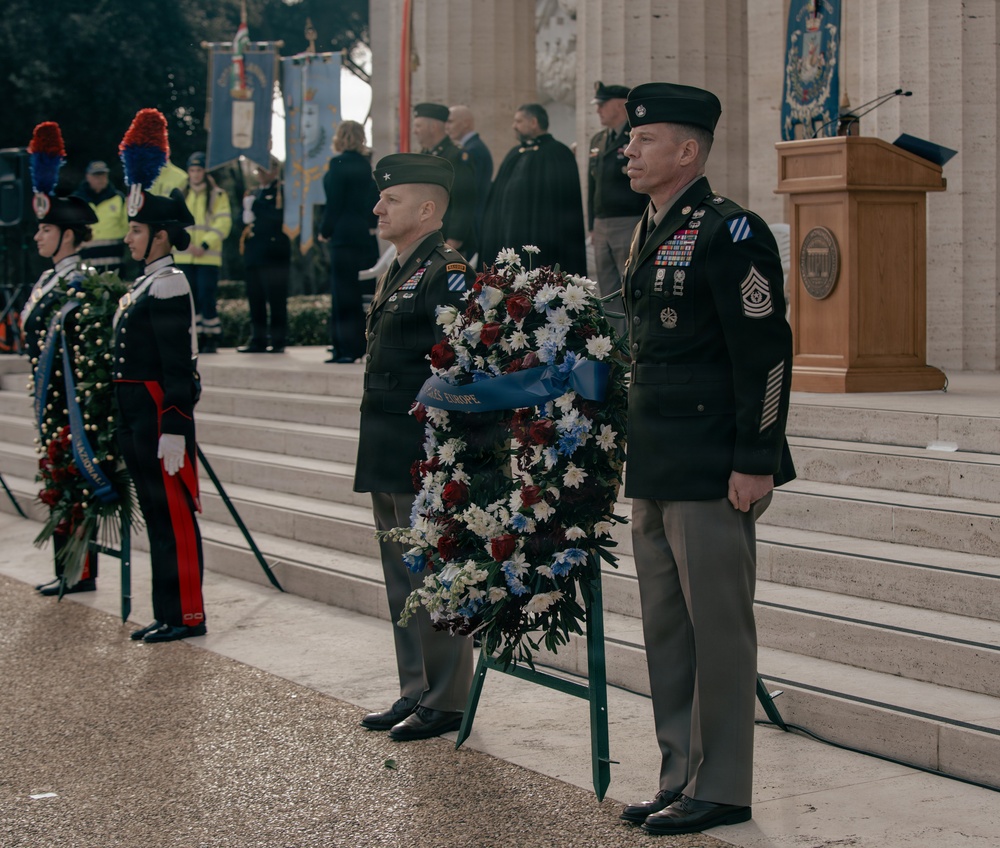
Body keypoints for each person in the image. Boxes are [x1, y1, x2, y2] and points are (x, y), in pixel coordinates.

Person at [617, 83, 796, 836]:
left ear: (687, 151)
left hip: (713, 464)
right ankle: (678, 774)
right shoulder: (649, 228)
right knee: (666, 631)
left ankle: (721, 783)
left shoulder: (732, 232)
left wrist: (757, 456)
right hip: (658, 458)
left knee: (718, 632)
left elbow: (766, 353)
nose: (628, 149)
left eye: (645, 138)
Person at [355, 153, 474, 741]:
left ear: (427, 209)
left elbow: (461, 366)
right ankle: (416, 688)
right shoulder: (400, 269)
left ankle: (447, 695)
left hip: (424, 447)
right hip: (386, 439)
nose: (378, 208)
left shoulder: (446, 272)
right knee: (401, 576)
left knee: (433, 571)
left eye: (392, 199)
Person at [115, 108, 206, 644]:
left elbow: (179, 365)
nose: (128, 239)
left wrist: (175, 424)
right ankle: (167, 611)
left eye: (136, 230)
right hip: (137, 417)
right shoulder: (143, 285)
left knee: (174, 519)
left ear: (161, 236)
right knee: (156, 515)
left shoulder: (169, 284)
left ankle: (187, 614)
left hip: (159, 416)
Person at [22, 121, 100, 596]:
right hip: (49, 404)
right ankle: (66, 567)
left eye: (46, 229)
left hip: (70, 404)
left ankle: (80, 570)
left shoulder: (78, 284)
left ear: (68, 236)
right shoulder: (47, 282)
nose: (38, 237)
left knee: (72, 484)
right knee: (57, 484)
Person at [479, 103, 586, 274]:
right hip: (509, 236)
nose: (514, 126)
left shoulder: (558, 153)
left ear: (534, 122)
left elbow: (563, 202)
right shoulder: (515, 153)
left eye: (518, 121)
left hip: (544, 239)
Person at [587, 82, 646, 337]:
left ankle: (633, 341)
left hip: (628, 220)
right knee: (608, 290)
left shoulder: (634, 137)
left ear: (620, 104)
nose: (598, 109)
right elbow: (592, 186)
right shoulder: (598, 139)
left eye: (603, 104)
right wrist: (591, 224)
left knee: (630, 286)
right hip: (602, 224)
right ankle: (614, 347)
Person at [318, 121, 379, 364]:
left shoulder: (338, 163)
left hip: (343, 236)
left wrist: (325, 229)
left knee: (342, 292)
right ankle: (360, 344)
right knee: (362, 293)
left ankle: (343, 347)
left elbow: (334, 202)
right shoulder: (366, 165)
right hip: (364, 236)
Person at [173, 151, 232, 353]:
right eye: (192, 170)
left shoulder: (217, 195)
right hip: (185, 254)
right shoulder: (181, 194)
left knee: (207, 295)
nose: (195, 174)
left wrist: (205, 245)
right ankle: (194, 336)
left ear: (204, 172)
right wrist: (185, 243)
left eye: (199, 170)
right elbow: (176, 222)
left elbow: (223, 223)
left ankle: (212, 336)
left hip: (207, 256)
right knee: (189, 296)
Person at [412, 102, 477, 259]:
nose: (415, 131)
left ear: (433, 126)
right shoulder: (424, 154)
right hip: (424, 239)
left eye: (418, 126)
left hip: (445, 241)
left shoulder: (456, 156)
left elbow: (464, 202)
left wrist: (453, 242)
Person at [238, 159, 290, 353]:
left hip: (274, 252)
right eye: (258, 170)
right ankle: (257, 339)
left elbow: (278, 217)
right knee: (255, 297)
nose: (260, 174)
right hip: (254, 252)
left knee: (276, 297)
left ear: (275, 170)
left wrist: (256, 207)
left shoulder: (281, 191)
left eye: (264, 169)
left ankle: (278, 340)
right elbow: (244, 221)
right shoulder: (254, 192)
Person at [446, 104, 493, 243]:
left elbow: (468, 192)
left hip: (472, 224)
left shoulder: (471, 151)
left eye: (450, 121)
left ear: (466, 122)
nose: (447, 127)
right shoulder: (470, 147)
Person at [72, 160, 128, 274]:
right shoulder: (76, 200)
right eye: (96, 175)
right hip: (85, 262)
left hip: (114, 262)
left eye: (103, 175)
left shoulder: (118, 198)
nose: (100, 179)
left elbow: (127, 227)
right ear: (88, 177)